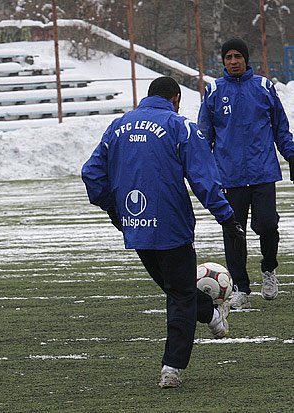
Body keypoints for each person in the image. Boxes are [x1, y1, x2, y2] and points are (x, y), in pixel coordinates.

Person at [82, 77, 244, 389]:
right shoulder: (179, 126)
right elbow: (202, 176)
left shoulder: (117, 126)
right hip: (171, 226)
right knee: (181, 294)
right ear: (176, 98)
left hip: (136, 225)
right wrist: (225, 216)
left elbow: (91, 174)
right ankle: (172, 367)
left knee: (176, 289)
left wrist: (115, 210)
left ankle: (209, 314)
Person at [198, 38, 294, 309]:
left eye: (237, 56)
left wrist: (291, 154)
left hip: (263, 172)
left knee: (267, 225)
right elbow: (205, 135)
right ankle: (240, 287)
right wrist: (202, 169)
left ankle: (269, 269)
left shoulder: (264, 87)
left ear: (246, 58)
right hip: (229, 176)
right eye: (228, 57)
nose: (233, 61)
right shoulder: (214, 90)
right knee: (233, 232)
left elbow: (280, 128)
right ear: (223, 61)